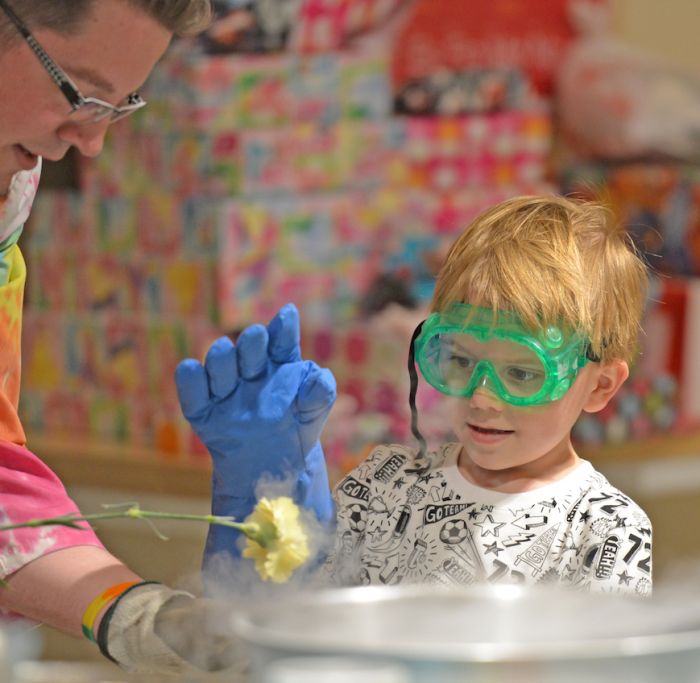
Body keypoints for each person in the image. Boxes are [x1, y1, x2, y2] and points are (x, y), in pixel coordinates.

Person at [0, 0, 334, 674]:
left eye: (117, 107)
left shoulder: (10, 187)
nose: (90, 141)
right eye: (81, 92)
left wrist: (138, 615)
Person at [319, 195, 653, 595]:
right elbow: (305, 608)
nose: (482, 398)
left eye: (521, 373)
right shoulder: (385, 485)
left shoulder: (604, 530)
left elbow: (600, 658)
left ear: (599, 386)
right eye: (460, 361)